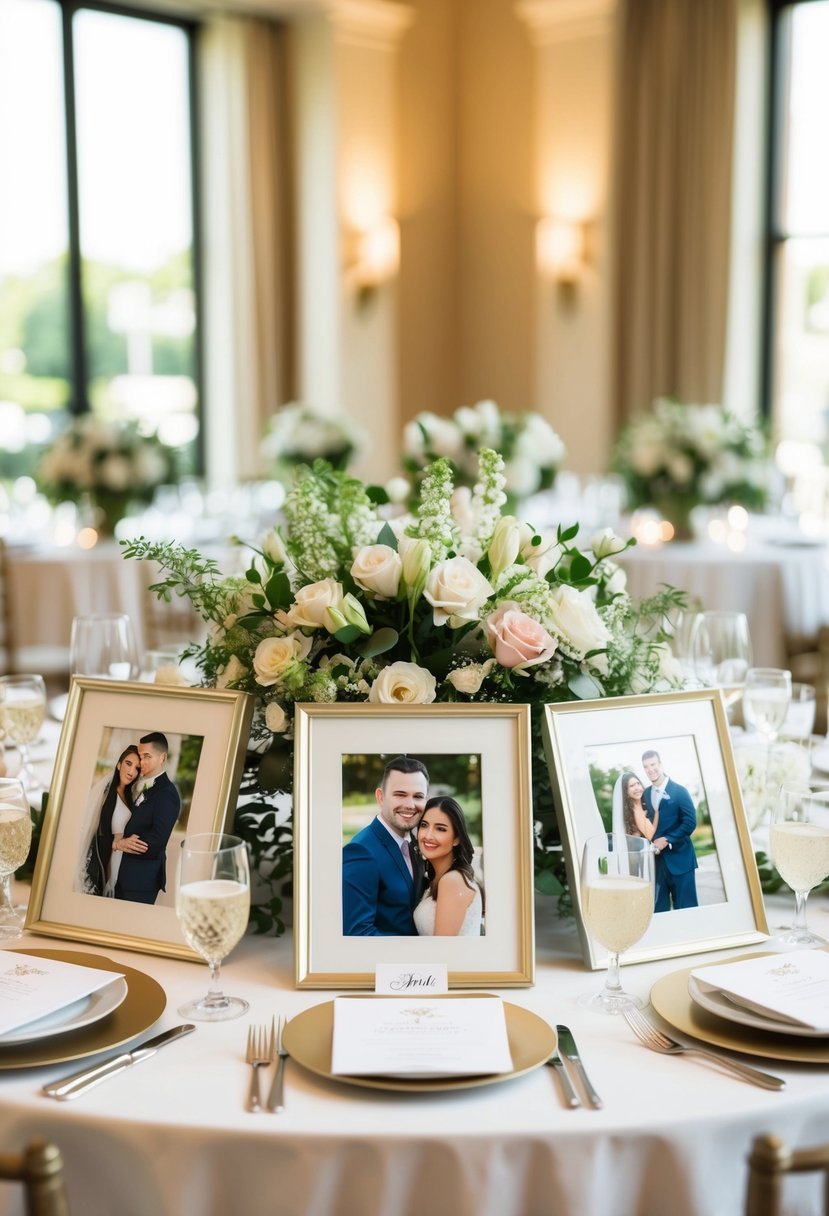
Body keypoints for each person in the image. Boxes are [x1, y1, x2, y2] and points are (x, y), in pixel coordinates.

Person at [342, 756, 428, 936]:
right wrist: (419, 950)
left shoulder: (416, 842)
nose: (410, 805)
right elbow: (358, 932)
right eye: (400, 794)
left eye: (418, 796)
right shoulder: (361, 851)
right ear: (380, 797)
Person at [114, 731, 181, 905]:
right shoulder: (135, 784)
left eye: (147, 756)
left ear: (162, 758)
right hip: (118, 871)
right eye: (140, 756)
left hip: (140, 879)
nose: (141, 762)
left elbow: (158, 840)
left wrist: (124, 844)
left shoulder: (167, 794)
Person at [78, 744, 144, 896]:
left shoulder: (128, 795)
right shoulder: (107, 793)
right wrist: (115, 844)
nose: (131, 771)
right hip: (106, 859)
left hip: (119, 863)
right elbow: (96, 833)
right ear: (119, 764)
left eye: (137, 768)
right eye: (128, 763)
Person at [413, 796, 483, 937]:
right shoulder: (441, 877)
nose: (428, 835)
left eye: (440, 829)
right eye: (424, 825)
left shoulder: (452, 881)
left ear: (456, 838)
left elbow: (443, 952)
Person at [641, 748, 699, 911]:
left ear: (660, 764)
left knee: (686, 909)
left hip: (681, 860)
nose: (650, 769)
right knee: (659, 910)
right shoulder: (645, 794)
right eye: (646, 766)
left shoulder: (680, 791)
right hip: (657, 864)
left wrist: (667, 839)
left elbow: (690, 822)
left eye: (653, 764)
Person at [611, 771, 659, 842]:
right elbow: (651, 835)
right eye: (632, 786)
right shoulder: (634, 811)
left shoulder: (649, 802)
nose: (637, 788)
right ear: (626, 791)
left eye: (638, 783)